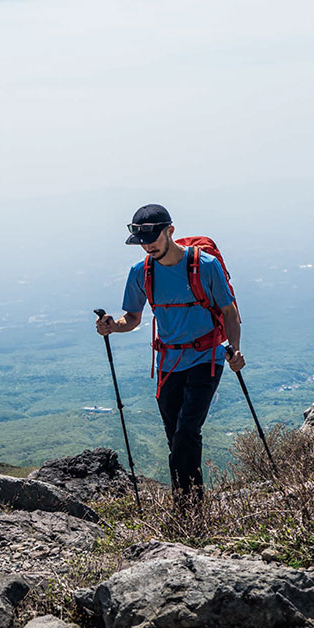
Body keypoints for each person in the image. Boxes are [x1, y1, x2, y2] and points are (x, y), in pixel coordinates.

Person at [95, 203, 245, 501]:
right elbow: (133, 318)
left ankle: (187, 509)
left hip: (207, 359)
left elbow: (229, 313)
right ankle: (193, 503)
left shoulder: (205, 266)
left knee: (187, 430)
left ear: (170, 231)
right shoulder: (141, 273)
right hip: (168, 364)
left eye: (153, 239)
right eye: (142, 242)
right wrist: (111, 326)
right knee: (175, 436)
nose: (148, 247)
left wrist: (236, 351)